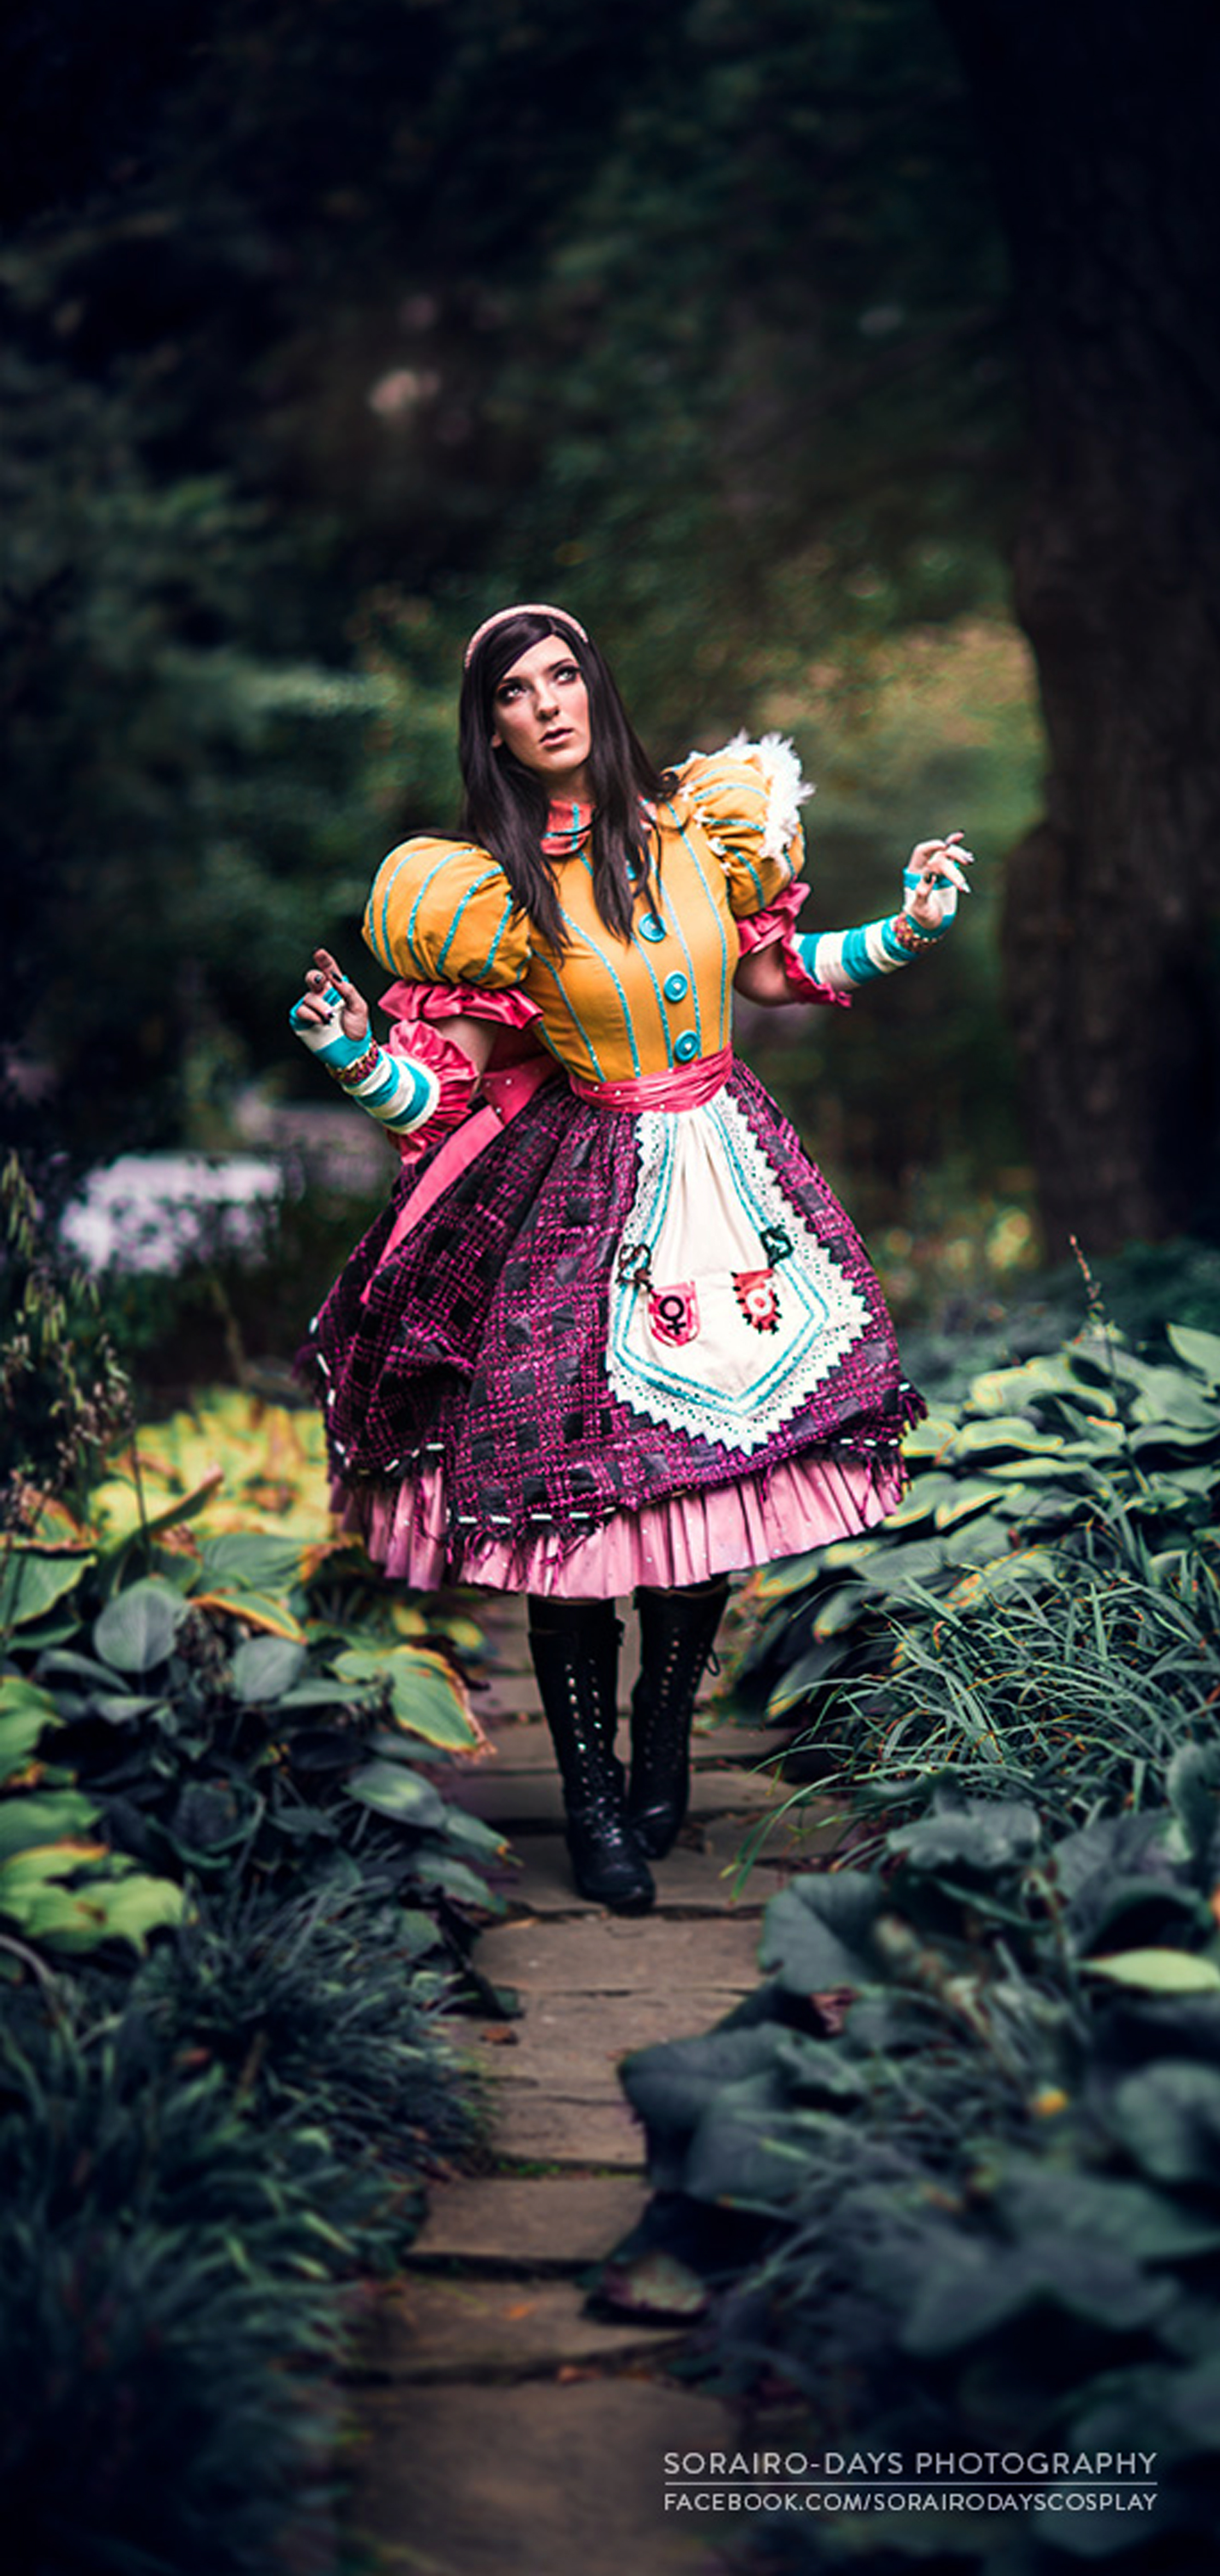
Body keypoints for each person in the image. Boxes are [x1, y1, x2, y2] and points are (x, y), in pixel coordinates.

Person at [290, 602, 968, 1918]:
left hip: (730, 1177)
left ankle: (665, 1730)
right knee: (581, 1507)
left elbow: (772, 972)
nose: (546, 704)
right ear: (488, 725)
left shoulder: (702, 826)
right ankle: (594, 1804)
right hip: (585, 1197)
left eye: (561, 675)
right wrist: (345, 1055)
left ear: (594, 684)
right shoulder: (485, 893)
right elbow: (438, 1090)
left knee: (714, 1472)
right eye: (512, 691)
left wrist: (907, 924)